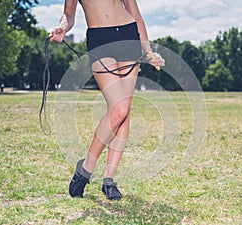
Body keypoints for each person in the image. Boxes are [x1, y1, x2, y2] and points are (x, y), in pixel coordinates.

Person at [50, 0, 165, 200]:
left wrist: (148, 51)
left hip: (129, 35)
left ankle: (109, 180)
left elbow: (135, 14)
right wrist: (62, 26)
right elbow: (68, 15)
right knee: (119, 108)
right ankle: (85, 169)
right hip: (100, 40)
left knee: (124, 112)